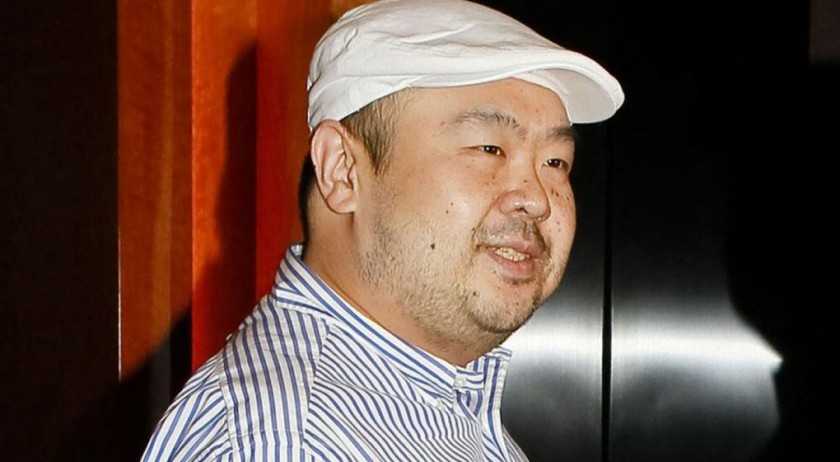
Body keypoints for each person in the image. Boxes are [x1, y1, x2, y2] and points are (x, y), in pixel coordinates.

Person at [142, 0, 623, 460]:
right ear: (342, 171)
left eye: (556, 162)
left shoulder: (444, 409)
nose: (538, 199)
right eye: (488, 149)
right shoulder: (286, 442)